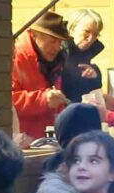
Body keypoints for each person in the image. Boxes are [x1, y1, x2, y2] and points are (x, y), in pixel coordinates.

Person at [11, 12, 75, 141]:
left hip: (47, 141)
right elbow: (7, 102)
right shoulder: (15, 58)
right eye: (52, 41)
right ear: (34, 35)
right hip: (22, 141)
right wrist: (43, 99)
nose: (57, 47)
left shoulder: (57, 61)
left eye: (60, 42)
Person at [61, 9, 108, 107]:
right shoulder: (57, 53)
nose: (90, 39)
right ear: (72, 29)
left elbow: (91, 92)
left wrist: (94, 78)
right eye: (86, 32)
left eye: (95, 35)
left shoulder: (88, 55)